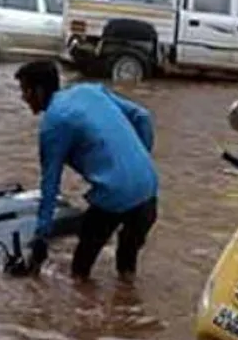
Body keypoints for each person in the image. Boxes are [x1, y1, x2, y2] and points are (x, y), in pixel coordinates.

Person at [14, 60, 159, 281]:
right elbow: (142, 116)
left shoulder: (53, 125)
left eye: (25, 90)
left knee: (80, 272)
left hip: (114, 194)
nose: (23, 98)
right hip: (148, 186)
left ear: (39, 91)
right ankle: (127, 295)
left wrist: (41, 236)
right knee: (127, 266)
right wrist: (140, 158)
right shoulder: (91, 90)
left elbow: (50, 185)